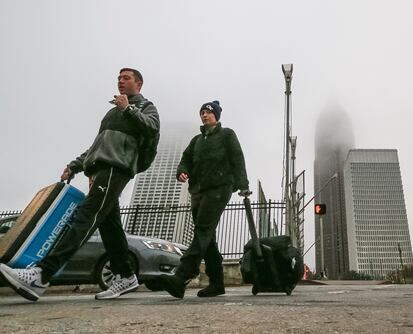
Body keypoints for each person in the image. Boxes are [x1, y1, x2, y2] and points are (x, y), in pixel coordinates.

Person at [0, 68, 160, 301]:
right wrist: (75, 165)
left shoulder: (146, 107)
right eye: (118, 78)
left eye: (126, 78)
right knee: (109, 226)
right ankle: (126, 275)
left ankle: (42, 275)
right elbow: (97, 146)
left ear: (139, 84)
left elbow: (152, 127)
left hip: (117, 167)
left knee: (85, 216)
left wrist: (129, 109)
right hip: (101, 168)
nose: (120, 81)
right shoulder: (111, 113)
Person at [160, 100, 249, 298]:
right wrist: (182, 171)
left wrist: (243, 185)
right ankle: (217, 283)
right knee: (208, 239)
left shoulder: (227, 134)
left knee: (202, 230)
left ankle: (181, 275)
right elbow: (186, 158)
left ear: (217, 116)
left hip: (219, 189)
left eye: (208, 112)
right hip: (198, 192)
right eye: (202, 112)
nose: (204, 115)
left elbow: (237, 157)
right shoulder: (197, 141)